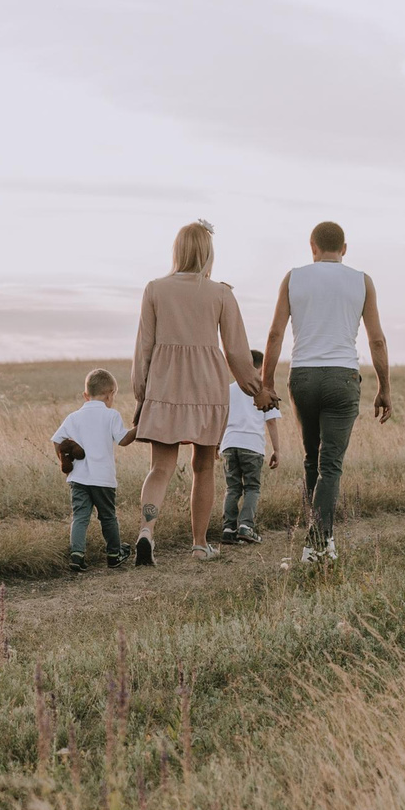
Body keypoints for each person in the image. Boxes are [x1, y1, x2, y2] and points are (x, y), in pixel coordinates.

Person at [256, 220, 390, 564]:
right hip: (342, 377)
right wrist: (384, 387)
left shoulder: (294, 277)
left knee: (311, 459)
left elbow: (274, 334)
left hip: (302, 377)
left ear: (312, 247)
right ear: (344, 249)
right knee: (331, 464)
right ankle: (315, 542)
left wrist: (266, 383)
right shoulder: (361, 280)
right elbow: (376, 338)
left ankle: (323, 539)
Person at [131, 220, 263, 563]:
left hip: (165, 384)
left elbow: (144, 348)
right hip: (207, 386)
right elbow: (236, 351)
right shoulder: (221, 293)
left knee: (160, 468)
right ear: (208, 252)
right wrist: (255, 387)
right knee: (203, 466)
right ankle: (199, 544)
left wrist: (142, 394)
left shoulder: (155, 289)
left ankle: (146, 531)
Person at [50, 368, 135, 572]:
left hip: (78, 478)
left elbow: (57, 441)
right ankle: (114, 554)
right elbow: (123, 440)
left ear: (85, 395)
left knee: (80, 517)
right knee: (107, 517)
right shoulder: (111, 415)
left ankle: (77, 555)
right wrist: (138, 429)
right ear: (110, 394)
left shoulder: (73, 417)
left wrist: (65, 461)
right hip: (103, 479)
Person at [218, 349, 281, 544]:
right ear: (261, 368)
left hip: (229, 444)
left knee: (232, 488)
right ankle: (246, 526)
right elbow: (271, 421)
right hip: (252, 445)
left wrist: (217, 443)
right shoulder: (264, 391)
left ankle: (228, 528)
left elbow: (221, 418)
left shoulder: (228, 389)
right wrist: (277, 449)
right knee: (252, 487)